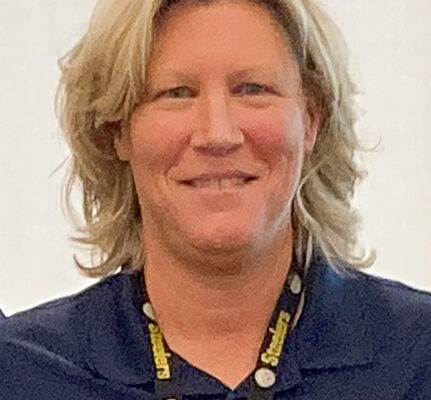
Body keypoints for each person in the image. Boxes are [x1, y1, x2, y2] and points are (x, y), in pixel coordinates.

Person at [1, 0, 430, 398]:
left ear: (311, 120)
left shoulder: (417, 357)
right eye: (177, 93)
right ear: (117, 131)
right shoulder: (21, 370)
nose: (218, 134)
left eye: (252, 89)